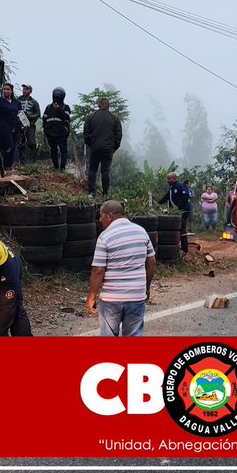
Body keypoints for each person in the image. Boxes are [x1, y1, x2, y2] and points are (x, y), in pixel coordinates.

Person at [87, 200, 156, 336]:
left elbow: (98, 270)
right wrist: (146, 287)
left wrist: (92, 295)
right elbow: (152, 262)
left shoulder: (105, 236)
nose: (100, 220)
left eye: (101, 216)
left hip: (111, 299)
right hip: (136, 296)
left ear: (110, 216)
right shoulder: (141, 232)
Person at [83, 98, 122, 198]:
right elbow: (119, 135)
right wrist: (113, 148)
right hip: (108, 149)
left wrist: (91, 145)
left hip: (95, 148)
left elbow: (86, 134)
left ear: (99, 105)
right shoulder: (115, 118)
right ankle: (105, 193)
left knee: (92, 170)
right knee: (105, 170)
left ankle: (91, 192)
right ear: (109, 106)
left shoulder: (90, 117)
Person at [158, 172, 192, 253]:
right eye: (167, 178)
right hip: (177, 210)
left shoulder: (180, 185)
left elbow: (186, 195)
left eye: (169, 179)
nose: (167, 180)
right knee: (179, 227)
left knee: (182, 227)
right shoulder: (171, 187)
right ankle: (180, 245)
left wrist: (178, 207)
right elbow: (167, 196)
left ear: (174, 178)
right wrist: (158, 203)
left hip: (184, 210)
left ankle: (185, 248)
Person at [0, 83, 21, 172]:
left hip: (15, 127)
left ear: (11, 91)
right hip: (4, 127)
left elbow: (20, 113)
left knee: (13, 146)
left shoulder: (16, 102)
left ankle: (9, 165)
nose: (6, 91)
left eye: (8, 89)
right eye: (4, 89)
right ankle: (4, 165)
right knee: (8, 145)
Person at [41, 86, 71, 170]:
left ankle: (62, 168)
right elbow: (44, 119)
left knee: (63, 150)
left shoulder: (66, 107)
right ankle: (55, 167)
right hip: (51, 133)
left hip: (62, 133)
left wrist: (58, 109)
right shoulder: (48, 107)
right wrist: (46, 129)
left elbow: (66, 117)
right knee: (53, 150)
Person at [18, 84, 41, 162]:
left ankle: (32, 160)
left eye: (26, 89)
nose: (24, 90)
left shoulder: (34, 102)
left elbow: (38, 114)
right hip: (19, 124)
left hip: (30, 125)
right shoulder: (18, 100)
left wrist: (30, 116)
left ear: (30, 91)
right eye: (23, 89)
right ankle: (22, 161)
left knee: (31, 142)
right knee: (21, 142)